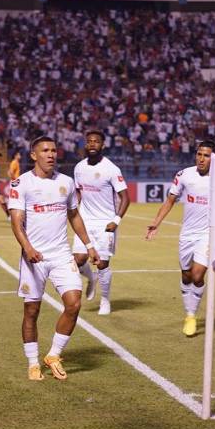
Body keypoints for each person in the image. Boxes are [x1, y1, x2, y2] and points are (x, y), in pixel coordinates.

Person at [8, 136, 99, 381]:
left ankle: (54, 355)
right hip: (34, 257)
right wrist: (27, 248)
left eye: (54, 150)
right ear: (33, 155)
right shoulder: (21, 184)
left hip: (60, 254)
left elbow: (74, 216)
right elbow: (16, 222)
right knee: (32, 311)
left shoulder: (66, 183)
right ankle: (32, 363)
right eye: (45, 150)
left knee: (74, 303)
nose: (51, 154)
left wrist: (89, 245)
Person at [144, 140, 215, 337]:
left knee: (197, 275)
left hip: (208, 234)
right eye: (199, 154)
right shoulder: (184, 175)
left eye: (206, 155)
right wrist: (156, 222)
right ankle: (189, 313)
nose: (201, 159)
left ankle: (191, 315)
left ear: (214, 159)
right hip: (187, 233)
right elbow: (170, 200)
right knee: (186, 276)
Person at [72, 130, 130, 315]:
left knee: (102, 263)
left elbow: (125, 197)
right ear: (85, 144)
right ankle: (91, 277)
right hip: (85, 220)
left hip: (105, 223)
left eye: (96, 142)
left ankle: (105, 300)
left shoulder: (111, 169)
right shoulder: (79, 167)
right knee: (78, 260)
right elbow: (79, 192)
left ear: (102, 145)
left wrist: (116, 220)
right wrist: (74, 211)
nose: (92, 144)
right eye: (89, 141)